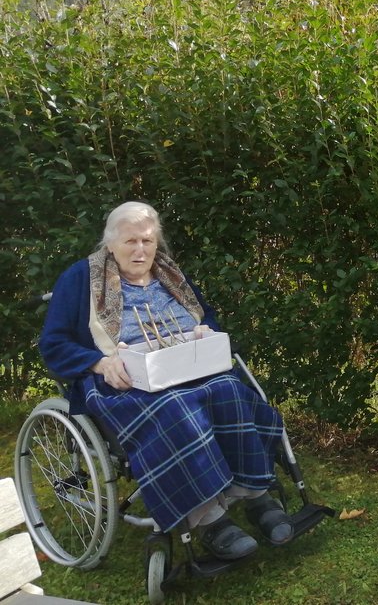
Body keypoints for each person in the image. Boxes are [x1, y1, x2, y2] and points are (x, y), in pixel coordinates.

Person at [40, 201, 293, 560]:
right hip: (123, 382)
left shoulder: (169, 273)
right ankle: (209, 518)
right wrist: (99, 363)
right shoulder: (81, 278)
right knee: (175, 406)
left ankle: (255, 494)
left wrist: (205, 331)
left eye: (147, 240)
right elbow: (53, 343)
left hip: (188, 369)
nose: (140, 250)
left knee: (229, 389)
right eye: (130, 241)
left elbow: (207, 317)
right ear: (110, 243)